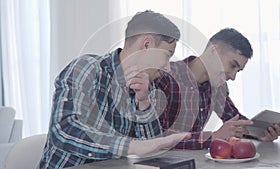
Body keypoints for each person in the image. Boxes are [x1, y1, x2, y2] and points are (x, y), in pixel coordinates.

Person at [37, 10, 191, 169]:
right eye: (167, 55)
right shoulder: (87, 69)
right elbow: (64, 130)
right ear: (147, 44)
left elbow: (152, 152)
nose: (168, 68)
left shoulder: (147, 88)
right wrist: (132, 147)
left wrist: (144, 102)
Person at [154, 28, 280, 150]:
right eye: (232, 65)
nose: (233, 76)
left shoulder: (218, 85)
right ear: (214, 51)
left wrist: (257, 134)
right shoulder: (164, 76)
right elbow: (157, 136)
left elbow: (234, 120)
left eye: (238, 71)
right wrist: (213, 137)